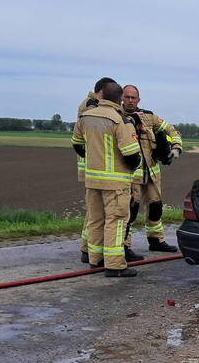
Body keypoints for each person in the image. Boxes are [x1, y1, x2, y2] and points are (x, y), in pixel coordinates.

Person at [71, 81, 141, 277]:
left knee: (95, 220)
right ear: (119, 99)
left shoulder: (85, 116)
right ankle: (115, 265)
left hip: (92, 180)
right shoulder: (120, 120)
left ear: (101, 96)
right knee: (116, 222)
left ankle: (96, 260)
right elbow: (131, 154)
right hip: (115, 183)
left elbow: (77, 144)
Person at [121, 84, 183, 254]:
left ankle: (156, 240)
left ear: (139, 99)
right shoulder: (118, 118)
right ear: (121, 98)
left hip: (152, 173)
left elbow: (171, 129)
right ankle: (124, 246)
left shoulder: (149, 117)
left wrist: (176, 147)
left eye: (133, 97)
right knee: (130, 211)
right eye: (127, 97)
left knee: (156, 208)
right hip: (131, 175)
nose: (130, 100)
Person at [77, 77, 117, 262]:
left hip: (94, 166)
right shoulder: (91, 107)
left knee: (94, 215)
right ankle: (90, 251)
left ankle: (90, 252)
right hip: (100, 167)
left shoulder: (88, 106)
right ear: (101, 92)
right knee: (98, 216)